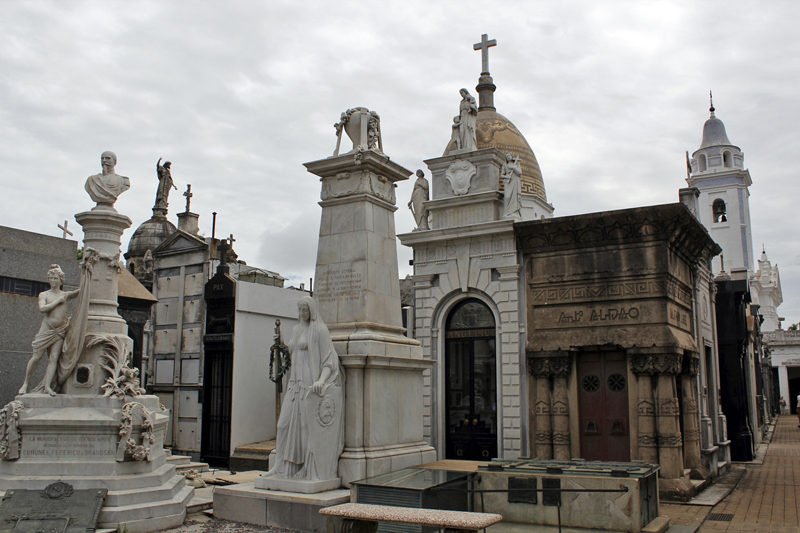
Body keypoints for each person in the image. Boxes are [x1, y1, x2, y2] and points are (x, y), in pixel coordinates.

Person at [267, 296, 344, 480]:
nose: (301, 314)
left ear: (311, 310)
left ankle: (307, 467)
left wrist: (321, 381)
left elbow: (328, 361)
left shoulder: (320, 330)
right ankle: (280, 467)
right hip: (294, 384)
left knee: (306, 427)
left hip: (310, 384)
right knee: (283, 424)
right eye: (299, 310)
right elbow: (290, 351)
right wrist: (280, 342)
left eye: (305, 310)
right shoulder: (296, 329)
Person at [18, 265, 79, 396]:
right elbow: (42, 309)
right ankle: (25, 384)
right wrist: (57, 302)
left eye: (55, 277)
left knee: (54, 358)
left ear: (61, 279)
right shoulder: (44, 294)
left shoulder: (65, 295)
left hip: (60, 331)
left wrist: (89, 276)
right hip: (47, 329)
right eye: (50, 277)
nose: (52, 279)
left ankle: (47, 386)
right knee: (36, 357)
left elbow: (78, 293)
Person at [501, 152, 522, 219]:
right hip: (508, 183)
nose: (508, 157)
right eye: (507, 156)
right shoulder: (505, 165)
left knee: (515, 197)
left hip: (515, 181)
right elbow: (501, 175)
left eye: (509, 156)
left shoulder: (516, 164)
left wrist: (514, 168)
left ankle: (515, 212)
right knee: (507, 197)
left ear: (511, 156)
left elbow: (519, 173)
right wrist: (507, 177)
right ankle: (507, 213)